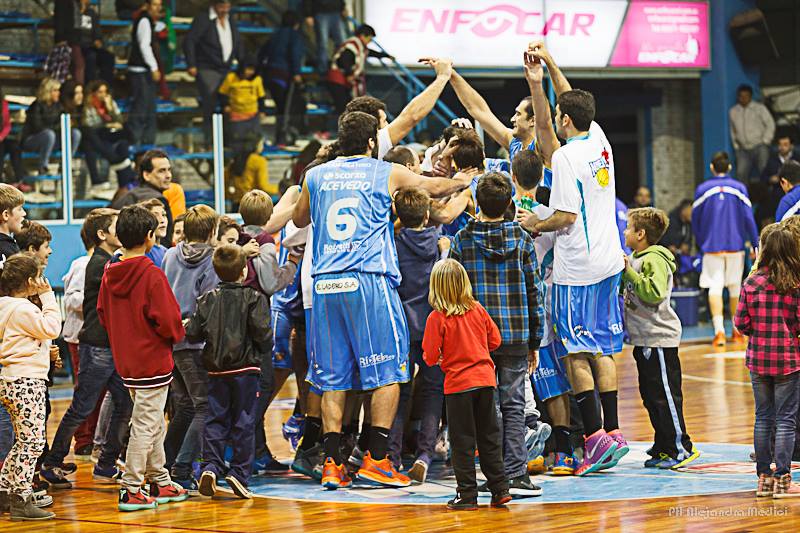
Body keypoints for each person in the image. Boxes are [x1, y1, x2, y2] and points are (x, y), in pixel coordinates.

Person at [292, 111, 472, 490]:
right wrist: (465, 181)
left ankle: (331, 464)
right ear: (372, 142)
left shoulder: (316, 175)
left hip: (325, 284)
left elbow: (300, 217)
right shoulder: (384, 171)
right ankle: (377, 459)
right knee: (389, 373)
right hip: (368, 278)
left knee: (332, 379)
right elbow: (433, 188)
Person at [517, 85, 629, 477]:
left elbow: (564, 216)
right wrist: (546, 66)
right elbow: (571, 95)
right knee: (602, 349)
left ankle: (594, 439)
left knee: (575, 352)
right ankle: (613, 431)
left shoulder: (565, 157)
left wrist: (534, 223)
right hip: (609, 261)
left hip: (578, 268)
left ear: (565, 119)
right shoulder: (600, 140)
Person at [449, 172, 543, 494]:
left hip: (475, 339)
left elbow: (452, 293)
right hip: (516, 334)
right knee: (514, 404)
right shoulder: (522, 239)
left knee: (485, 408)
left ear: (477, 202)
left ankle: (494, 475)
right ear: (508, 205)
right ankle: (516, 473)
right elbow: (535, 291)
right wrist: (535, 340)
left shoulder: (462, 240)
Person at [97, 205, 188, 512]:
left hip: (127, 359)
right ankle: (132, 487)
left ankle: (159, 479)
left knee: (153, 421)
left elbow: (102, 313)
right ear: (150, 236)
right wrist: (176, 333)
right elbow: (169, 320)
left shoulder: (110, 271)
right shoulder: (151, 274)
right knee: (145, 425)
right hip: (152, 359)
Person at [41, 209, 133, 489]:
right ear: (102, 234)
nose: (122, 231)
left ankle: (106, 463)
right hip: (97, 346)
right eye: (116, 227)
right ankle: (52, 462)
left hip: (108, 346)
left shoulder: (109, 261)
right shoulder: (100, 264)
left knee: (124, 404)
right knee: (82, 407)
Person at [421, 259, 510, 510]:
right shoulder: (478, 309)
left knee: (462, 442)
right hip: (485, 382)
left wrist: (441, 357)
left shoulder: (437, 318)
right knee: (489, 438)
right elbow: (496, 340)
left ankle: (467, 494)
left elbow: (429, 355)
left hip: (458, 386)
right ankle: (500, 489)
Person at [186, 244, 270, 499]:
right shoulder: (254, 298)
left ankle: (211, 466)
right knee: (244, 421)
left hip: (215, 370)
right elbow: (264, 335)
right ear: (244, 271)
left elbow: (193, 334)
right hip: (246, 370)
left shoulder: (206, 299)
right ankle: (239, 473)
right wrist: (263, 348)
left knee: (215, 419)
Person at [622, 208, 700, 469]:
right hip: (643, 339)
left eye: (629, 228)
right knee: (650, 396)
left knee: (665, 397)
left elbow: (653, 293)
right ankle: (664, 444)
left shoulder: (654, 259)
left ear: (641, 234)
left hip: (659, 339)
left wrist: (628, 272)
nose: (625, 232)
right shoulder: (637, 258)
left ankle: (680, 447)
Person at [735, 225, 800, 498]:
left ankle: (763, 479)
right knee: (786, 420)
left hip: (758, 359)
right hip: (788, 359)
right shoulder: (794, 284)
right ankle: (783, 479)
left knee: (763, 418)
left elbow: (740, 322)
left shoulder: (751, 283)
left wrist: (758, 332)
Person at [388, 187, 447, 482]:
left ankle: (393, 456)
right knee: (433, 391)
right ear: (427, 215)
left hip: (401, 328)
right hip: (432, 328)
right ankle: (425, 454)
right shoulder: (439, 244)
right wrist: (445, 250)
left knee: (399, 391)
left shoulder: (392, 244)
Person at [162, 205, 219, 492]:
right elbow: (209, 304)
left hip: (171, 339)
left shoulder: (170, 255)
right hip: (196, 342)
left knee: (184, 406)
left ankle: (164, 464)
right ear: (212, 231)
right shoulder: (212, 260)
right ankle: (182, 468)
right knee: (204, 407)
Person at [0, 253, 60, 521]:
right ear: (29, 281)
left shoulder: (4, 305)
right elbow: (52, 328)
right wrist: (47, 297)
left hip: (11, 379)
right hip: (27, 381)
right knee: (33, 443)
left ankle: (5, 490)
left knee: (22, 442)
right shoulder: (23, 308)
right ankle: (22, 499)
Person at [691, 151, 759, 347]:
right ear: (729, 167)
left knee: (715, 287)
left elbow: (695, 220)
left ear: (711, 167)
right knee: (735, 288)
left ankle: (719, 332)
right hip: (736, 245)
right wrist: (755, 243)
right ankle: (737, 332)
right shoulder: (739, 188)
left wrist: (702, 241)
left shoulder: (702, 189)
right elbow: (749, 218)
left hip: (711, 246)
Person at [343, 56, 454, 161]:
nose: (388, 126)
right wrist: (443, 77)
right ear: (372, 126)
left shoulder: (336, 152)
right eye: (384, 121)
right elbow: (412, 116)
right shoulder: (374, 143)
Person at [60, 225, 98, 457]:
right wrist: (99, 301)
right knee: (85, 390)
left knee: (102, 391)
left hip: (97, 336)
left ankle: (95, 436)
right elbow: (72, 299)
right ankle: (83, 438)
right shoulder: (82, 264)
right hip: (80, 337)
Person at [184, 0, 241, 146]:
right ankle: (209, 140)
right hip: (207, 67)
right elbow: (190, 41)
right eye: (222, 6)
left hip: (226, 68)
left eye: (227, 6)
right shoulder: (203, 19)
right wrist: (191, 64)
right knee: (210, 103)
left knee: (229, 103)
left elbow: (237, 43)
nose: (225, 9)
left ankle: (228, 139)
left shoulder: (230, 20)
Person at [257, 10, 306, 145]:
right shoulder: (294, 36)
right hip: (283, 76)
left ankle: (280, 137)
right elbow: (294, 54)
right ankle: (282, 137)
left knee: (279, 108)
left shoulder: (274, 35)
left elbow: (262, 53)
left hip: (269, 74)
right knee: (285, 109)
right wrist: (296, 73)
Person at [82, 80, 136, 201]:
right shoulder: (89, 105)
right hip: (98, 134)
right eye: (100, 92)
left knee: (125, 139)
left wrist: (110, 108)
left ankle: (126, 182)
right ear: (94, 93)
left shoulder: (110, 103)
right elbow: (89, 125)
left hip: (110, 133)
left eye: (105, 92)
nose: (103, 95)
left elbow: (119, 120)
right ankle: (119, 165)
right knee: (94, 140)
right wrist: (108, 125)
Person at [113, 149, 174, 247]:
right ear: (146, 175)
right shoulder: (157, 201)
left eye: (169, 170)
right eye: (161, 171)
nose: (168, 176)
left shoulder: (128, 195)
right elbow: (164, 241)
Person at [326, 24, 391, 116]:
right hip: (338, 80)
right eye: (369, 39)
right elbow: (344, 59)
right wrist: (349, 74)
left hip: (342, 81)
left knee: (346, 107)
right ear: (362, 36)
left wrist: (385, 55)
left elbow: (369, 52)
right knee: (342, 108)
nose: (369, 42)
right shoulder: (352, 45)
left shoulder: (360, 46)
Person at [21, 78, 81, 177]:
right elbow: (38, 127)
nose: (58, 93)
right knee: (49, 134)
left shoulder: (59, 106)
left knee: (76, 133)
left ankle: (65, 165)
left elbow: (64, 123)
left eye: (58, 90)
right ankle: (43, 166)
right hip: (33, 140)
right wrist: (59, 126)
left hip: (52, 139)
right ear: (48, 91)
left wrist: (68, 124)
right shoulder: (36, 106)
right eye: (55, 90)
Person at [54, 0, 114, 85]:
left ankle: (105, 86)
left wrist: (98, 40)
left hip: (91, 45)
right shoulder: (70, 12)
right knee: (90, 57)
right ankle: (89, 86)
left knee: (108, 57)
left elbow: (97, 32)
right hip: (77, 44)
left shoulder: (91, 13)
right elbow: (67, 30)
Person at [128, 0, 162, 147]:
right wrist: (153, 67)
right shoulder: (144, 20)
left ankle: (147, 142)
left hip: (143, 70)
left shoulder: (149, 21)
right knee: (141, 109)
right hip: (140, 71)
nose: (158, 8)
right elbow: (144, 45)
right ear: (147, 5)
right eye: (154, 4)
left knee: (148, 109)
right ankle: (135, 141)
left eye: (159, 5)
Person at [730, 84, 776, 182]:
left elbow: (770, 124)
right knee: (740, 173)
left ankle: (766, 191)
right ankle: (743, 192)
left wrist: (766, 141)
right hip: (743, 149)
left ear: (750, 96)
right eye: (741, 96)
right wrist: (736, 146)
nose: (743, 99)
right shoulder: (733, 111)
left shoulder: (760, 108)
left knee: (764, 172)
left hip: (759, 146)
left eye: (746, 96)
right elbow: (732, 129)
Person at [218, 59, 266, 143]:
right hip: (236, 113)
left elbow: (261, 96)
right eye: (248, 69)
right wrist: (225, 105)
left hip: (252, 114)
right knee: (238, 138)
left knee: (254, 138)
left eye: (252, 70)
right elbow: (223, 93)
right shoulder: (231, 78)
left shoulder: (257, 79)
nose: (250, 72)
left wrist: (262, 111)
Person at [226, 134, 270, 210]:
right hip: (252, 204)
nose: (262, 147)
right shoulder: (259, 160)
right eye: (261, 144)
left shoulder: (235, 159)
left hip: (236, 204)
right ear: (256, 146)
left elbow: (226, 179)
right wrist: (279, 189)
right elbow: (263, 186)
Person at [303, 0, 345, 74]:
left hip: (336, 11)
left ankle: (340, 67)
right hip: (321, 11)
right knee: (322, 44)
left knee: (342, 43)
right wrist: (308, 14)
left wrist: (342, 7)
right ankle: (323, 70)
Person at [0, 88, 23, 186]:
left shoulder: (3, 104)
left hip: (2, 137)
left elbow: (7, 125)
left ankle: (19, 179)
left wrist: (1, 137)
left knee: (15, 147)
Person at [138, 198, 169, 267]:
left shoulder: (167, 251)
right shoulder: (144, 251)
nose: (162, 220)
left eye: (163, 215)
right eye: (155, 216)